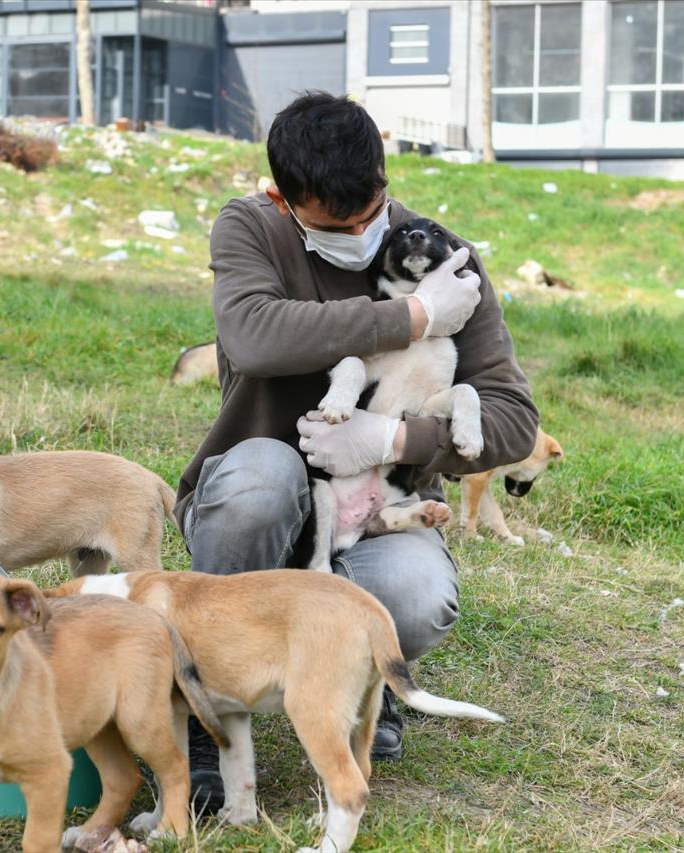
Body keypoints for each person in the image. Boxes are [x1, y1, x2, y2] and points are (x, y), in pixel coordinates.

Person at [173, 92, 538, 810]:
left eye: (375, 212)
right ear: (283, 198)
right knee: (260, 478)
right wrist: (413, 316)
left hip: (381, 504)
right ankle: (203, 717)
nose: (365, 233)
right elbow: (253, 334)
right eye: (339, 227)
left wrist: (400, 438)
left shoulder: (440, 254)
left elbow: (513, 418)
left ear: (384, 175)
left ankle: (365, 675)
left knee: (419, 592)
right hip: (267, 498)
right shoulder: (250, 226)